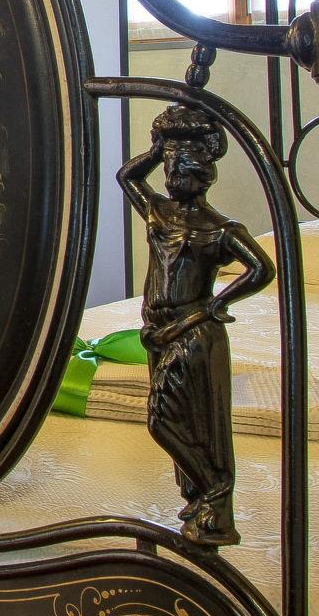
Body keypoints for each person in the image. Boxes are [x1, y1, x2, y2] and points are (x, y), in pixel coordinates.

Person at [117, 104, 274, 548]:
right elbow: (127, 177)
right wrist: (156, 148)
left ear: (201, 172)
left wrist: (213, 305)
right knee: (186, 418)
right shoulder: (159, 212)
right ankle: (198, 499)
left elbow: (262, 269)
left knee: (163, 419)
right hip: (156, 330)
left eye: (179, 166)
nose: (171, 174)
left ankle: (217, 495)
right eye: (168, 165)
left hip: (192, 331)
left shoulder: (219, 228)